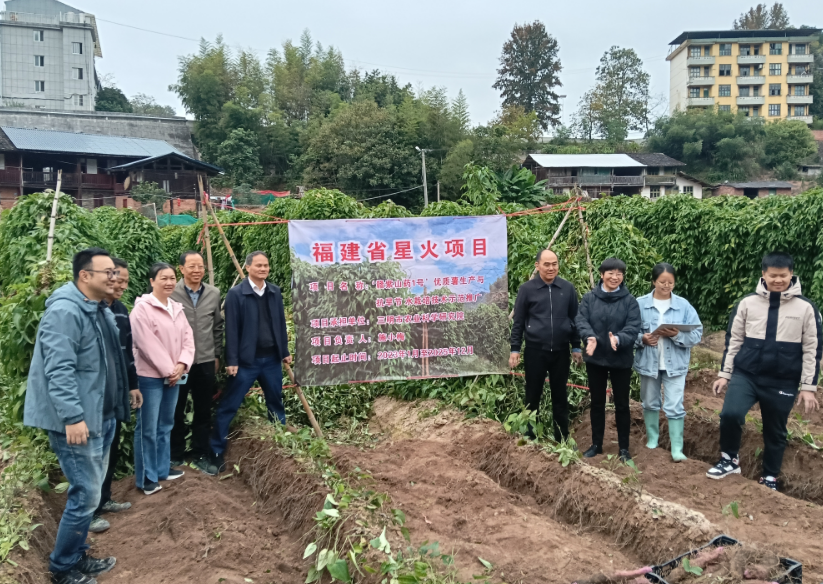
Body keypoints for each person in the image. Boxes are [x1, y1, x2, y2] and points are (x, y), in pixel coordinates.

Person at [24, 248, 129, 584]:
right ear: (86, 276)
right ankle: (62, 567)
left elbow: (109, 360)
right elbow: (59, 369)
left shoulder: (97, 308)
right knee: (85, 494)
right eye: (108, 273)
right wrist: (72, 417)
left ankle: (78, 554)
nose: (115, 278)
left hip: (101, 415)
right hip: (80, 422)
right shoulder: (66, 311)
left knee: (91, 491)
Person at [707, 252, 821, 491]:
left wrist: (808, 387)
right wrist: (725, 374)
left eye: (783, 275)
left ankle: (769, 476)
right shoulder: (747, 303)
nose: (778, 280)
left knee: (775, 429)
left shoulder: (806, 308)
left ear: (791, 274)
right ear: (763, 275)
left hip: (783, 380)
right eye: (773, 275)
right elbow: (734, 340)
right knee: (730, 414)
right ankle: (729, 460)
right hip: (746, 374)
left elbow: (813, 348)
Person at [210, 251, 292, 473]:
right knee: (229, 405)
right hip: (247, 362)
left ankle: (281, 444)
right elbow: (231, 329)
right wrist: (232, 360)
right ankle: (216, 451)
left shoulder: (274, 292)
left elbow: (281, 323)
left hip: (272, 359)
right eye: (258, 265)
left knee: (275, 401)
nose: (263, 269)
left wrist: (284, 351)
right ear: (248, 268)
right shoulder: (237, 294)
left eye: (266, 265)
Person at [89, 258, 143, 534]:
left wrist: (133, 385)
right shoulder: (91, 311)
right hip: (94, 395)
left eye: (125, 281)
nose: (121, 285)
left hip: (116, 392)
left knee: (109, 447)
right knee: (93, 453)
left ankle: (105, 498)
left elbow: (127, 353)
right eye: (117, 279)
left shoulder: (120, 310)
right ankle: (90, 510)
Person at [130, 262, 195, 495]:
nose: (168, 282)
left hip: (173, 376)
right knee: (147, 427)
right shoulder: (142, 309)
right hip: (150, 377)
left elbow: (188, 339)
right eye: (163, 278)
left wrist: (182, 364)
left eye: (171, 278)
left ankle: (161, 468)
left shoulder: (176, 308)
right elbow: (146, 344)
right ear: (151, 281)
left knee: (166, 424)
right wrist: (171, 370)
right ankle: (146, 478)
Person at [510, 249, 583, 441]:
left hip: (561, 352)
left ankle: (562, 438)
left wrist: (576, 346)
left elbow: (575, 319)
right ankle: (530, 435)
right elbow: (518, 321)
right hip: (535, 351)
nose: (551, 268)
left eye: (554, 264)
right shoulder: (527, 289)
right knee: (532, 395)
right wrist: (515, 349)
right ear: (537, 266)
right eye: (547, 264)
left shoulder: (567, 289)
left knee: (560, 396)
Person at [633, 263, 703, 462]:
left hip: (675, 365)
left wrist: (677, 335)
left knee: (674, 405)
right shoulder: (639, 304)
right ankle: (653, 440)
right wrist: (642, 339)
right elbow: (629, 331)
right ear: (653, 281)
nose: (666, 286)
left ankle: (677, 449)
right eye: (662, 282)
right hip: (648, 363)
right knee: (649, 402)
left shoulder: (683, 305)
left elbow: (697, 333)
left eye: (670, 282)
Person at [575, 257, 641, 462]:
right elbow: (580, 320)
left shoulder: (630, 301)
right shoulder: (589, 299)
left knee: (622, 404)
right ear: (602, 275)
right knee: (597, 403)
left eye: (619, 274)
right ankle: (596, 444)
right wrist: (590, 337)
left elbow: (633, 326)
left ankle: (623, 448)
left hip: (620, 359)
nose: (615, 277)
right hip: (596, 359)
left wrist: (620, 339)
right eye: (610, 273)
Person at [170, 251, 224, 475]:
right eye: (191, 266)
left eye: (200, 266)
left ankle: (201, 454)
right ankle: (175, 455)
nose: (196, 270)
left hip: (204, 361)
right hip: (178, 364)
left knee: (203, 411)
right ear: (181, 269)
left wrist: (217, 355)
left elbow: (218, 328)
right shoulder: (171, 293)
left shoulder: (213, 293)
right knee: (176, 410)